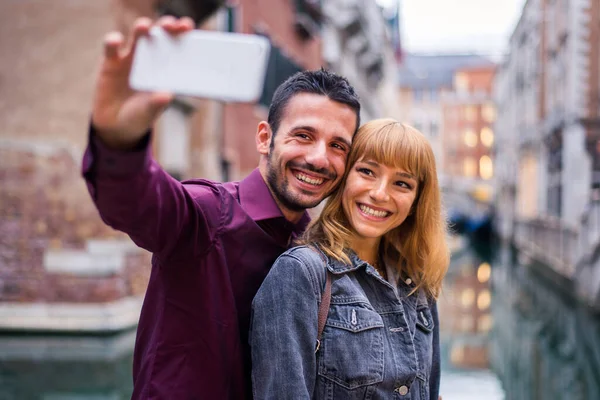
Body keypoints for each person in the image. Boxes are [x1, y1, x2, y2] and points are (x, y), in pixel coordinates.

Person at [83, 16, 360, 399]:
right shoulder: (205, 214)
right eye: (303, 135)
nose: (318, 158)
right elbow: (138, 202)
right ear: (266, 138)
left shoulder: (318, 249)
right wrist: (118, 140)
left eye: (337, 146)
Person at [250, 119, 450, 399]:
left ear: (417, 200)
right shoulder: (301, 274)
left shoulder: (418, 284)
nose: (380, 194)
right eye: (367, 171)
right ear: (344, 177)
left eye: (402, 183)